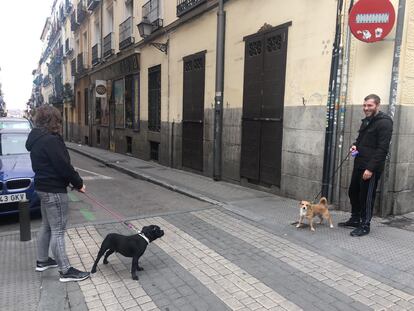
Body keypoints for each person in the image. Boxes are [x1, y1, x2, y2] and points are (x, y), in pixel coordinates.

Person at [26, 105, 90, 282]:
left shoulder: (36, 138)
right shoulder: (51, 140)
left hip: (42, 188)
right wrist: (78, 183)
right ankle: (65, 270)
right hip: (54, 191)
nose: (60, 123)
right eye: (59, 120)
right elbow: (63, 166)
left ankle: (43, 260)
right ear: (54, 121)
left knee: (46, 226)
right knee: (58, 230)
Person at [338, 94, 393, 237]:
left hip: (371, 167)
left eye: (369, 105)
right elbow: (359, 140)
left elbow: (383, 149)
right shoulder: (366, 121)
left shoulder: (385, 123)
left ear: (377, 105)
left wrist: (370, 169)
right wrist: (354, 146)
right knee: (353, 192)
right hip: (359, 163)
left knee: (366, 197)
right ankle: (355, 219)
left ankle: (365, 224)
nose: (366, 108)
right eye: (364, 105)